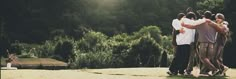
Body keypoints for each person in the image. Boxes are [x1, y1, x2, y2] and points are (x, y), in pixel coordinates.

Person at [182, 11, 227, 76]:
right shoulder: (214, 24)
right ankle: (205, 72)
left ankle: (215, 70)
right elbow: (221, 30)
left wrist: (183, 24)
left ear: (204, 16)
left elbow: (191, 26)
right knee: (207, 59)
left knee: (202, 58)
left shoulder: (201, 23)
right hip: (211, 44)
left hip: (203, 43)